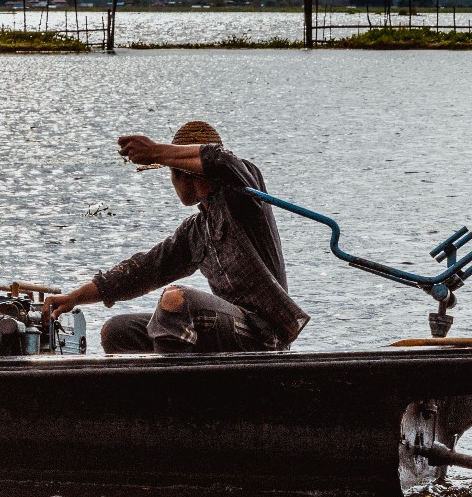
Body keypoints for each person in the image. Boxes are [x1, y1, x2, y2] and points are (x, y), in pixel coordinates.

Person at [43, 121, 308, 354]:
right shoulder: (196, 231)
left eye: (171, 172)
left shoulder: (243, 195)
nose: (171, 181)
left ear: (186, 174)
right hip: (226, 329)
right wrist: (73, 298)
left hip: (263, 335)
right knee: (117, 330)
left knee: (176, 300)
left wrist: (156, 152)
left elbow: (221, 161)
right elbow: (141, 271)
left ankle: (175, 400)